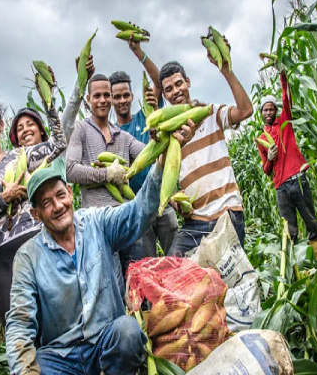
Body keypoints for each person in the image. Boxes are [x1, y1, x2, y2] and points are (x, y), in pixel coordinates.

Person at [5, 123, 196, 374]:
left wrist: (162, 162)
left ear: (70, 194)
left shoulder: (96, 223)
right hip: (62, 355)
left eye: (60, 195)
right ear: (36, 214)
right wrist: (24, 369)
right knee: (39, 365)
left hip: (105, 341)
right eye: (46, 203)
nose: (58, 206)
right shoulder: (28, 256)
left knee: (128, 331)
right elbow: (20, 320)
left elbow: (138, 212)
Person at [0, 58, 94, 327]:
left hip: (35, 242)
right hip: (0, 254)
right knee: (16, 325)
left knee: (55, 321)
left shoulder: (22, 155)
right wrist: (5, 197)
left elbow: (58, 144)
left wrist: (47, 101)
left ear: (2, 125)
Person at [162, 37, 253, 257]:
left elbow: (245, 111)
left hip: (227, 212)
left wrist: (225, 69)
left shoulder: (211, 113)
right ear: (164, 96)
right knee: (174, 264)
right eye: (169, 89)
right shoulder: (169, 135)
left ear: (188, 82)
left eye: (178, 84)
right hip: (195, 221)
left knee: (229, 272)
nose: (175, 91)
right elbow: (165, 177)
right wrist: (174, 199)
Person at [66, 74, 145, 294]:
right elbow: (70, 170)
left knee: (137, 287)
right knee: (114, 290)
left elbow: (146, 153)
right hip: (97, 224)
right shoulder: (81, 130)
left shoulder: (123, 136)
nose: (102, 100)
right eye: (97, 96)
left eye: (106, 95)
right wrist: (107, 174)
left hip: (127, 219)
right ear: (88, 100)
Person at [109, 70, 178, 257]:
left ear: (132, 96)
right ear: (111, 99)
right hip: (137, 205)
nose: (122, 100)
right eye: (117, 97)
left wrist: (141, 55)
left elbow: (159, 80)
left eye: (126, 95)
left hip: (163, 199)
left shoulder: (147, 116)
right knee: (147, 262)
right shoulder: (112, 133)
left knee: (177, 255)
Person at [257, 70, 317, 259]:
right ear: (261, 113)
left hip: (298, 180)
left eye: (271, 109)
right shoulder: (262, 139)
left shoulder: (285, 123)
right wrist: (270, 158)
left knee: (311, 221)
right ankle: (298, 266)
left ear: (276, 111)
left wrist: (283, 78)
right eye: (265, 110)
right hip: (281, 188)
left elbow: (286, 99)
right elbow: (266, 170)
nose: (268, 113)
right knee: (290, 230)